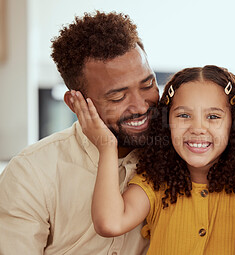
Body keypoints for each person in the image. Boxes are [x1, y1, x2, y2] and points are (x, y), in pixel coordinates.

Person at [69, 65, 235, 254]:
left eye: (213, 117)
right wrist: (107, 146)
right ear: (166, 122)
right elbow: (109, 223)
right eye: (183, 115)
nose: (198, 128)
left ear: (234, 125)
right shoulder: (154, 184)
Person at [0, 11, 158, 254]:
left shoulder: (177, 156)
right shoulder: (31, 173)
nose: (140, 106)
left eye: (148, 85)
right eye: (118, 96)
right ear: (76, 104)